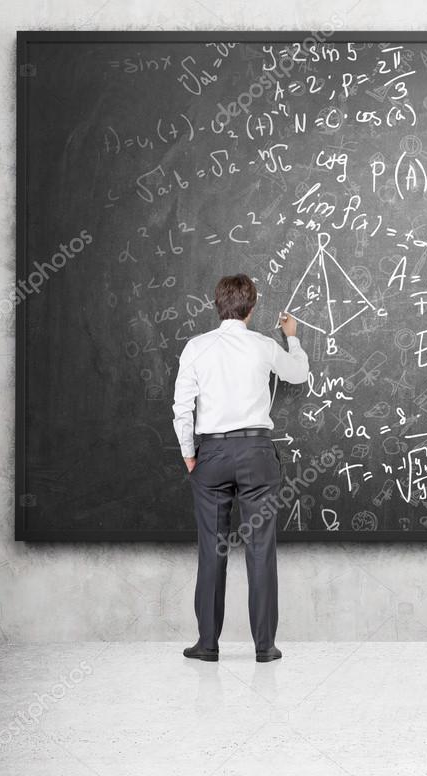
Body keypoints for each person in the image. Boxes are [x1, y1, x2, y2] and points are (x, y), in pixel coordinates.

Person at [172, 274, 309, 663]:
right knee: (261, 550)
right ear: (252, 308)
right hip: (256, 453)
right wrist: (293, 337)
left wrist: (189, 455)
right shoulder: (264, 345)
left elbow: (182, 408)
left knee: (211, 551)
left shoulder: (196, 347)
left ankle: (207, 645)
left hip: (211, 455)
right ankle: (265, 647)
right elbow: (298, 373)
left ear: (218, 305)